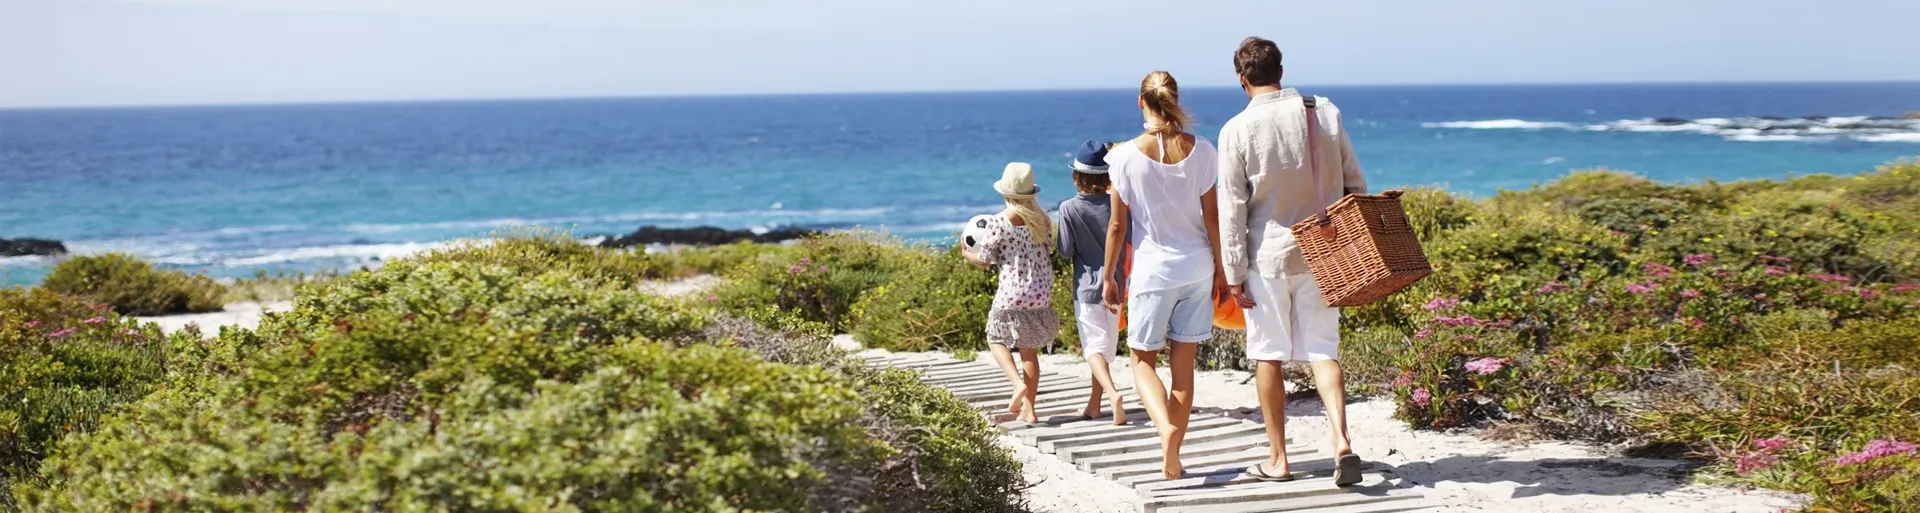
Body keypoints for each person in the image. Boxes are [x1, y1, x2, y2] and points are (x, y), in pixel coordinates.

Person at [1215, 36, 1369, 487]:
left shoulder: (1236, 130)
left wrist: (1233, 272)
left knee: (1268, 354)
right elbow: (1355, 184)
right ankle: (1341, 441)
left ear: (1241, 79)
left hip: (1268, 258)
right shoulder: (1324, 112)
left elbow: (1233, 209)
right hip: (1325, 253)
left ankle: (1279, 459)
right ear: (1281, 70)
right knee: (1324, 349)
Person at [1101, 71, 1227, 479]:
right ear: (1173, 99)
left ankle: (1165, 429)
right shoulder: (1203, 150)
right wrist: (1223, 270)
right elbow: (1213, 217)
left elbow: (1118, 227)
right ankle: (1174, 453)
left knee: (1141, 361)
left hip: (1153, 273)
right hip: (1196, 268)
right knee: (1184, 368)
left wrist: (1108, 276)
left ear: (1141, 102)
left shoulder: (1121, 157)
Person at [964, 162, 1061, 425]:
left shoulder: (997, 222)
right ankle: (1029, 411)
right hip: (1040, 292)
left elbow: (985, 260)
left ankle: (1017, 383)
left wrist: (965, 253)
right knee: (1029, 352)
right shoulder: (1044, 220)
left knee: (995, 338)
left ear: (1006, 193)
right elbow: (1048, 251)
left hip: (1012, 292)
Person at [1057, 140, 1127, 425]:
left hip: (1086, 287)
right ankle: (1094, 405)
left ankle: (1112, 394)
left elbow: (1064, 249)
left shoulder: (1068, 208)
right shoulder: (1119, 205)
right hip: (1117, 285)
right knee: (1106, 348)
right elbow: (1127, 238)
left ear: (1077, 176)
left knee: (1093, 348)